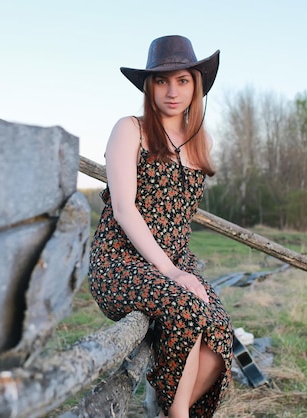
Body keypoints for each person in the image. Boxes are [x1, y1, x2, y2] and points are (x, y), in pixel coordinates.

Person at [88, 35, 233, 418]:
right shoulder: (130, 129)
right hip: (121, 262)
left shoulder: (201, 142)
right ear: (149, 86)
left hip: (175, 263)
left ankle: (170, 408)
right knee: (187, 309)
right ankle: (177, 413)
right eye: (162, 81)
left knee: (219, 333)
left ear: (195, 85)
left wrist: (179, 269)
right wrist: (169, 271)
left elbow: (179, 220)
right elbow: (123, 209)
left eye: (182, 80)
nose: (172, 91)